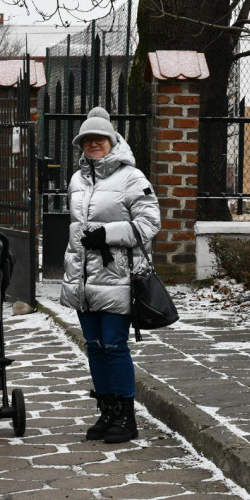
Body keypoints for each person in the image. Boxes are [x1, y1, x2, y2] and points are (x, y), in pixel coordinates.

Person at [60, 107, 161, 444]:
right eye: (87, 139)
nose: (93, 144)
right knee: (95, 347)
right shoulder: (76, 179)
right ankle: (106, 413)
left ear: (112, 141)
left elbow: (149, 224)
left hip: (117, 276)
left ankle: (125, 417)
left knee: (115, 345)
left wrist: (107, 234)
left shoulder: (132, 178)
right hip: (82, 277)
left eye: (98, 138)